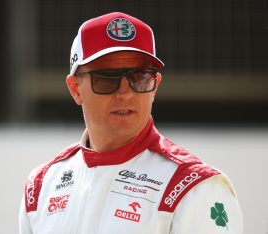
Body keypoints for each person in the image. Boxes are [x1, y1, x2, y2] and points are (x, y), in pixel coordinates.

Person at [19, 12, 243, 234]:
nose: (125, 93)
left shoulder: (194, 187)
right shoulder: (41, 186)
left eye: (139, 77)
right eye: (107, 78)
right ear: (76, 89)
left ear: (154, 86)